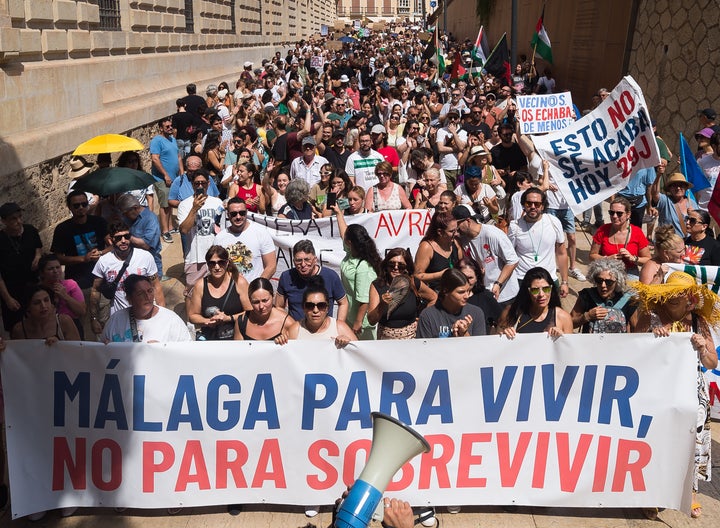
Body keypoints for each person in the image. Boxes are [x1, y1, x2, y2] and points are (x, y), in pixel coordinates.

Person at [630, 271, 719, 519]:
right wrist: (651, 338)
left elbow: (712, 362)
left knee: (692, 439)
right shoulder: (651, 315)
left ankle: (689, 491)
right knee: (656, 438)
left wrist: (703, 348)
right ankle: (653, 492)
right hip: (656, 386)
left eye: (679, 294)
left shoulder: (699, 321)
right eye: (669, 292)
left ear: (690, 298)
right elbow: (632, 347)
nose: (673, 297)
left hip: (691, 387)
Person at [89, 222, 164, 337]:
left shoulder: (145, 257)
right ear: (111, 240)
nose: (123, 241)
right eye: (118, 238)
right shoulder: (103, 262)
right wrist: (94, 318)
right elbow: (95, 290)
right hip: (120, 319)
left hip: (146, 316)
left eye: (127, 236)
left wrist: (161, 314)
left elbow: (156, 286)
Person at [508, 187, 569, 298]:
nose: (532, 207)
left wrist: (564, 282)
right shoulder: (515, 226)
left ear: (543, 205)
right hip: (522, 279)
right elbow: (509, 256)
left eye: (537, 204)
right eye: (528, 203)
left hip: (548, 279)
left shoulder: (553, 222)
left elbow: (561, 253)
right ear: (523, 205)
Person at [452, 204, 519, 304]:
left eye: (457, 225)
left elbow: (512, 261)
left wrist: (498, 283)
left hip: (505, 295)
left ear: (468, 221)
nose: (455, 231)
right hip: (485, 294)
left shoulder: (492, 234)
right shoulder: (463, 239)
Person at [368, 248, 437, 340]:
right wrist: (382, 304)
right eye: (391, 264)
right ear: (386, 265)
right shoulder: (377, 285)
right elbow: (371, 320)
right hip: (385, 340)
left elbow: (434, 297)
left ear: (407, 268)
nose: (396, 268)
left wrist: (423, 318)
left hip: (411, 339)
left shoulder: (413, 283)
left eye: (401, 266)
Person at [335, 209, 382, 339]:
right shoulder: (351, 253)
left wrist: (358, 322)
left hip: (362, 324)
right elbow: (344, 233)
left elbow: (364, 299)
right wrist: (339, 213)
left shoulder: (363, 267)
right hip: (351, 316)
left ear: (349, 243)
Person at [102, 274, 192, 343]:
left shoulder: (171, 320)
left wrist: (163, 351)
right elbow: (102, 354)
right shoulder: (116, 320)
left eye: (150, 291)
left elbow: (186, 352)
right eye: (140, 293)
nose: (148, 297)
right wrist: (108, 350)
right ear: (129, 298)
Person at [187, 245, 251, 340]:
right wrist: (208, 321)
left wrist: (229, 318)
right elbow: (192, 316)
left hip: (236, 339)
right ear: (207, 265)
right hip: (211, 340)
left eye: (221, 262)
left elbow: (250, 312)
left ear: (227, 263)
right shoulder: (200, 285)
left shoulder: (239, 282)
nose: (217, 267)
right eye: (212, 263)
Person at [276, 239, 348, 322]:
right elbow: (279, 307)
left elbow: (343, 303)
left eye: (307, 260)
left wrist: (339, 325)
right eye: (298, 260)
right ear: (293, 261)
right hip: (296, 331)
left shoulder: (331, 276)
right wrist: (289, 325)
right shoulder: (286, 277)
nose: (303, 264)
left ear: (315, 260)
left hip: (324, 330)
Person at [178, 171, 224, 291]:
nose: (200, 186)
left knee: (217, 291)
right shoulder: (184, 204)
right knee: (192, 293)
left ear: (208, 184)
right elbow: (184, 230)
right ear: (192, 185)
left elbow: (222, 229)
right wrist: (194, 209)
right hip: (195, 257)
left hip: (216, 257)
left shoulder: (217, 203)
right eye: (196, 183)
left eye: (203, 183)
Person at [0, 202, 42, 333]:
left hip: (33, 285)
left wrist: (37, 257)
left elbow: (38, 247)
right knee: (17, 328)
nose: (18, 221)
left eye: (19, 217)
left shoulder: (30, 230)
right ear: (3, 221)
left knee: (39, 324)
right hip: (12, 291)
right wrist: (8, 299)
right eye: (13, 219)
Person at [214, 197, 277, 282]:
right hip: (229, 291)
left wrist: (257, 287)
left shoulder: (261, 232)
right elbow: (215, 266)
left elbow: (271, 266)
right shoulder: (220, 238)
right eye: (234, 214)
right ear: (228, 215)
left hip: (254, 291)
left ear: (246, 212)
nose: (238, 217)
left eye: (242, 213)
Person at [499, 267, 573, 338]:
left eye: (546, 289)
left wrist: (562, 338)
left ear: (551, 289)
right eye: (535, 290)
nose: (541, 294)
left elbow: (570, 348)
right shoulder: (511, 312)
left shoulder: (563, 317)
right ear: (528, 291)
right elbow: (495, 339)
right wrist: (503, 333)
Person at [589, 197, 651, 280]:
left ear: (628, 214)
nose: (614, 216)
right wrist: (607, 259)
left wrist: (633, 258)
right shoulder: (602, 230)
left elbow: (648, 259)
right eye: (611, 212)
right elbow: (592, 255)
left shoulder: (637, 232)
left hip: (629, 273)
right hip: (607, 272)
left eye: (619, 213)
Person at [416, 268, 486, 338]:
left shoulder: (476, 313)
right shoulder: (428, 316)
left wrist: (464, 333)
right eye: (461, 292)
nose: (467, 296)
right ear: (446, 291)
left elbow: (479, 347)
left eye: (468, 291)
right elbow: (424, 347)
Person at [571, 258, 635, 333]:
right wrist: (587, 316)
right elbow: (569, 323)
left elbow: (637, 329)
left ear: (617, 281)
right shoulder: (586, 295)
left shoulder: (627, 299)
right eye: (599, 280)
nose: (603, 285)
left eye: (609, 282)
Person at [286, 282, 357, 348]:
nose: (315, 310)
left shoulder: (340, 328)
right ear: (303, 308)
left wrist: (348, 343)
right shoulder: (295, 330)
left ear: (327, 308)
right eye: (310, 305)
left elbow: (359, 353)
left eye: (321, 305)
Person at [150, 117, 184, 243]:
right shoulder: (157, 141)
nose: (170, 128)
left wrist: (182, 172)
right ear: (160, 128)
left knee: (170, 203)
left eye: (171, 126)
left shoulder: (172, 139)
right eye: (167, 127)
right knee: (164, 205)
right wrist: (165, 175)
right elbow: (155, 159)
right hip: (162, 179)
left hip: (174, 178)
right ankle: (164, 231)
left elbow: (178, 156)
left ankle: (170, 227)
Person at [37, 253, 86, 338]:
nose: (55, 271)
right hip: (47, 330)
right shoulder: (37, 291)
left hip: (72, 327)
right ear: (42, 273)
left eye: (57, 267)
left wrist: (65, 296)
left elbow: (81, 311)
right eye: (50, 269)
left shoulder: (71, 284)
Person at [116, 193, 164, 279]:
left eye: (125, 213)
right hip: (133, 263)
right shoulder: (127, 217)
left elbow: (146, 245)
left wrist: (127, 236)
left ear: (135, 208)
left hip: (150, 266)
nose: (124, 216)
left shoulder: (150, 219)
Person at [10, 285, 80, 343]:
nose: (43, 306)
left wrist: (60, 345)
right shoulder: (19, 330)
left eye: (46, 300)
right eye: (37, 303)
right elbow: (17, 356)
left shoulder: (64, 321)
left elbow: (78, 351)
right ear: (28, 307)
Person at [234, 278, 295, 343]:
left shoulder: (287, 323)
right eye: (256, 302)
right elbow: (238, 351)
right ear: (250, 301)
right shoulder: (242, 322)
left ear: (273, 296)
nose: (261, 306)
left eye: (265, 301)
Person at [414, 211, 463, 292]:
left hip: (456, 291)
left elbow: (462, 265)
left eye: (456, 230)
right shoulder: (427, 247)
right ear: (440, 232)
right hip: (436, 292)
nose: (456, 234)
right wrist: (440, 275)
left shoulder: (456, 243)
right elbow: (417, 276)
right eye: (452, 231)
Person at [457, 258, 501, 333]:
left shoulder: (486, 297)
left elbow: (502, 319)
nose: (467, 282)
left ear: (477, 277)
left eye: (470, 278)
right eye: (463, 277)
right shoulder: (450, 298)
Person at [650, 172, 693, 237]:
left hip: (686, 244)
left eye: (681, 185)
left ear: (686, 188)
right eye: (674, 185)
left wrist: (693, 215)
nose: (678, 188)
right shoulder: (665, 201)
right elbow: (654, 193)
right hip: (667, 243)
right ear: (669, 189)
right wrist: (659, 176)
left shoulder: (692, 203)